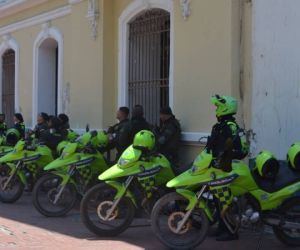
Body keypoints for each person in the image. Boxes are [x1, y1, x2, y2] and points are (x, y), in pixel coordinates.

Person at [206, 94, 246, 242]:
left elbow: (226, 148)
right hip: (219, 167)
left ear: (224, 108)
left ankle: (231, 231)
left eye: (217, 106)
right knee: (218, 199)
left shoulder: (228, 127)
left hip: (226, 168)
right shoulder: (224, 125)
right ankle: (222, 227)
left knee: (224, 200)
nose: (216, 109)